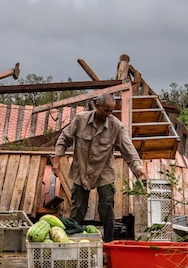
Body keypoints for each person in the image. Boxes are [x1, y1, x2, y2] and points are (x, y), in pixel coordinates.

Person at [52, 93, 147, 242]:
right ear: (97, 105)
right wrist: (57, 161)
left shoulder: (116, 126)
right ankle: (70, 241)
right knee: (78, 208)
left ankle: (109, 244)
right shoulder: (80, 120)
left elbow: (129, 150)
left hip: (104, 171)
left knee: (107, 207)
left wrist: (138, 168)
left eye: (111, 111)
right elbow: (64, 138)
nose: (109, 114)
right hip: (81, 170)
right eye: (106, 110)